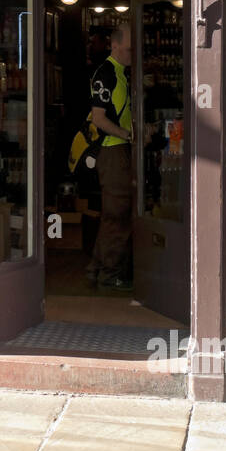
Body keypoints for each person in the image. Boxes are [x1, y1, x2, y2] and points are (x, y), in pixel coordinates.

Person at [86, 23, 134, 293]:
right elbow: (99, 117)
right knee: (118, 216)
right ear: (115, 45)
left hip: (117, 149)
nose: (132, 53)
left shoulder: (119, 72)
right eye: (128, 48)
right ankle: (110, 275)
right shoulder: (107, 73)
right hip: (114, 150)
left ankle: (96, 269)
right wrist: (127, 134)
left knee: (110, 216)